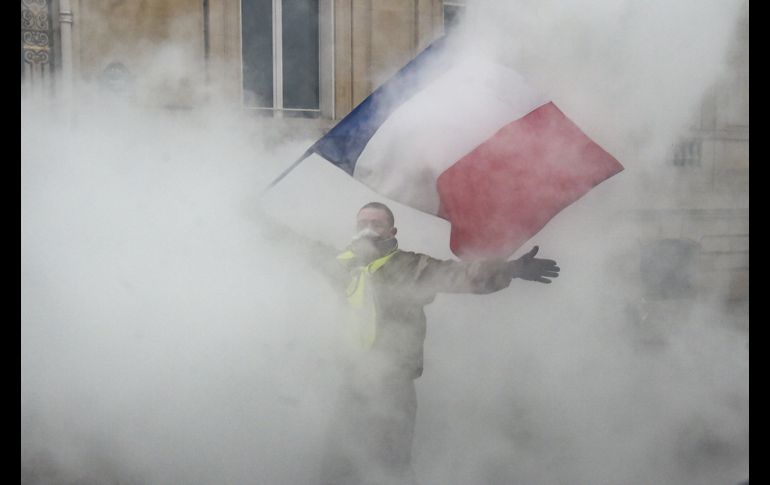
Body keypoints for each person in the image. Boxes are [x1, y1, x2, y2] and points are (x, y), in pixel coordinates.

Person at [259, 201, 559, 484]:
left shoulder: (410, 266)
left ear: (392, 232)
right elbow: (301, 246)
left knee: (391, 468)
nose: (368, 228)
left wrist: (511, 269)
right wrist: (248, 215)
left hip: (393, 386)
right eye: (362, 223)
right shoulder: (344, 266)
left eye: (376, 223)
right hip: (352, 385)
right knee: (337, 469)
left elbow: (459, 275)